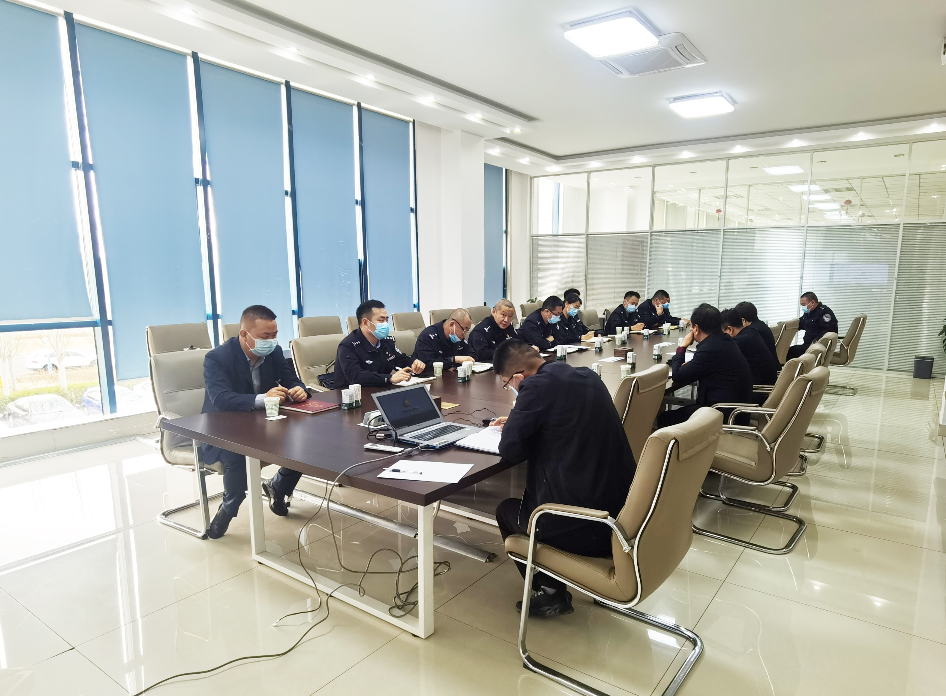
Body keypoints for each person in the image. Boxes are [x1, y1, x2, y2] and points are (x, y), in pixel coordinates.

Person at [491, 339, 636, 617]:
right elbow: (564, 420)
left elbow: (510, 449)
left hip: (587, 527)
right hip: (621, 514)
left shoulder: (535, 388)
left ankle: (550, 593)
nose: (511, 387)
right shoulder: (587, 376)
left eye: (508, 383)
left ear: (519, 377)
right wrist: (524, 420)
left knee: (506, 511)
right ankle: (552, 586)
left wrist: (519, 419)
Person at [200, 305, 309, 538]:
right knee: (238, 458)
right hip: (224, 429)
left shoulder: (274, 352)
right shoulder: (217, 358)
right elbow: (221, 399)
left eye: (274, 335)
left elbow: (292, 380)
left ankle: (278, 487)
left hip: (263, 424)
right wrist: (263, 398)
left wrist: (299, 390)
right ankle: (228, 508)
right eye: (265, 336)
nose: (271, 341)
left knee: (305, 442)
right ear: (244, 334)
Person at [658, 303, 752, 427]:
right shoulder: (723, 340)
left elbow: (678, 375)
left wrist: (682, 347)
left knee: (663, 419)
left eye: (691, 326)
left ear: (696, 328)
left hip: (722, 415)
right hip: (735, 410)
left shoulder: (710, 348)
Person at [334, 300, 425, 389]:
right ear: (365, 322)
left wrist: (414, 363)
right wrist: (389, 378)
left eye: (386, 320)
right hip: (352, 394)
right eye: (381, 320)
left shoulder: (386, 341)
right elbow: (355, 376)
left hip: (380, 389)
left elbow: (400, 359)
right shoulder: (348, 345)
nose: (385, 324)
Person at [721, 308, 779, 386]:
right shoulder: (752, 331)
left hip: (759, 388)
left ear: (729, 329)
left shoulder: (739, 341)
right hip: (768, 382)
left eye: (722, 333)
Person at [787, 292, 839, 359]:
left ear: (812, 302)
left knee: (790, 352)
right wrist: (789, 326)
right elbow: (802, 323)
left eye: (804, 305)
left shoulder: (824, 312)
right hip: (808, 344)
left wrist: (815, 342)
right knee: (791, 350)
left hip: (817, 346)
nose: (803, 307)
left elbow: (828, 331)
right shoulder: (809, 312)